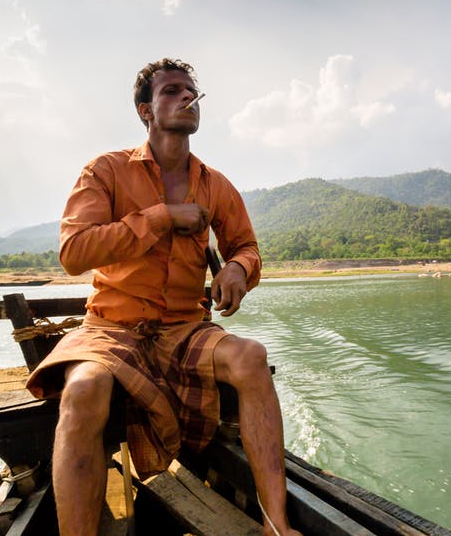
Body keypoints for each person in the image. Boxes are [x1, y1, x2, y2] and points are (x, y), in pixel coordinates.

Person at [26, 58, 299, 536]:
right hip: (111, 327)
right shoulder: (105, 170)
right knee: (84, 387)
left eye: (191, 91)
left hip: (183, 329)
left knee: (251, 357)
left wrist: (237, 268)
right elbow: (74, 252)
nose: (186, 98)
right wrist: (163, 217)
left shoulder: (216, 184)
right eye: (172, 91)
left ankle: (277, 526)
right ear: (145, 111)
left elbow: (246, 247)